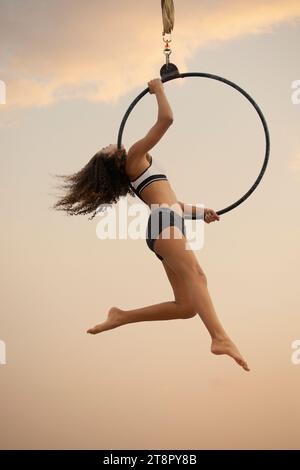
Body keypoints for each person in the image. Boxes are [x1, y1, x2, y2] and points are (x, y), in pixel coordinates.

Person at [53, 78, 250, 372]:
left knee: (187, 307)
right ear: (113, 160)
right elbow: (167, 119)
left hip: (166, 221)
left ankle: (121, 316)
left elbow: (173, 202)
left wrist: (200, 213)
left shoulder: (139, 167)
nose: (111, 143)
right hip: (163, 222)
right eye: (107, 147)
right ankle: (219, 337)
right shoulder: (133, 156)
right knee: (198, 276)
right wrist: (158, 90)